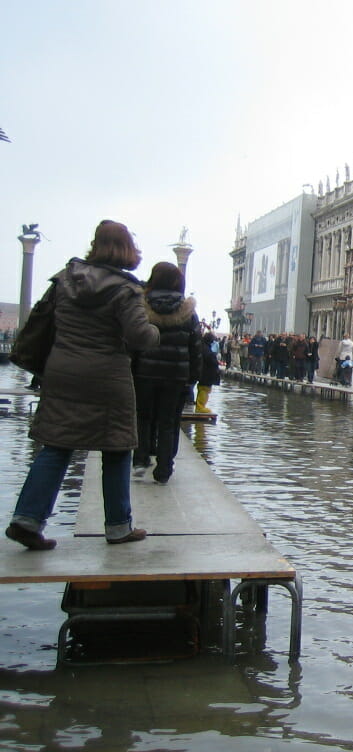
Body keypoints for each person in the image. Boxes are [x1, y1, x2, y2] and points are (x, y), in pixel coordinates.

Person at [6, 220, 159, 550]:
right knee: (117, 448)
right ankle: (118, 526)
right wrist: (156, 330)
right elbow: (139, 337)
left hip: (62, 370)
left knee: (57, 444)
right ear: (128, 249)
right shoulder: (125, 288)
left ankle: (26, 519)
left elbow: (45, 321)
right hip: (108, 376)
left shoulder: (65, 280)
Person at [131, 261, 202, 485]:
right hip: (176, 375)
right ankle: (164, 468)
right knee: (169, 421)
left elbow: (132, 342)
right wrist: (193, 377)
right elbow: (196, 348)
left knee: (143, 417)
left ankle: (141, 459)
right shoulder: (188, 311)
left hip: (145, 372)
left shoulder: (141, 306)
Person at [195, 332, 221, 414]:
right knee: (204, 390)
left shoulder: (202, 347)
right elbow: (212, 361)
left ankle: (200, 406)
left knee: (202, 389)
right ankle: (200, 407)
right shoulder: (207, 350)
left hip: (203, 373)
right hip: (206, 374)